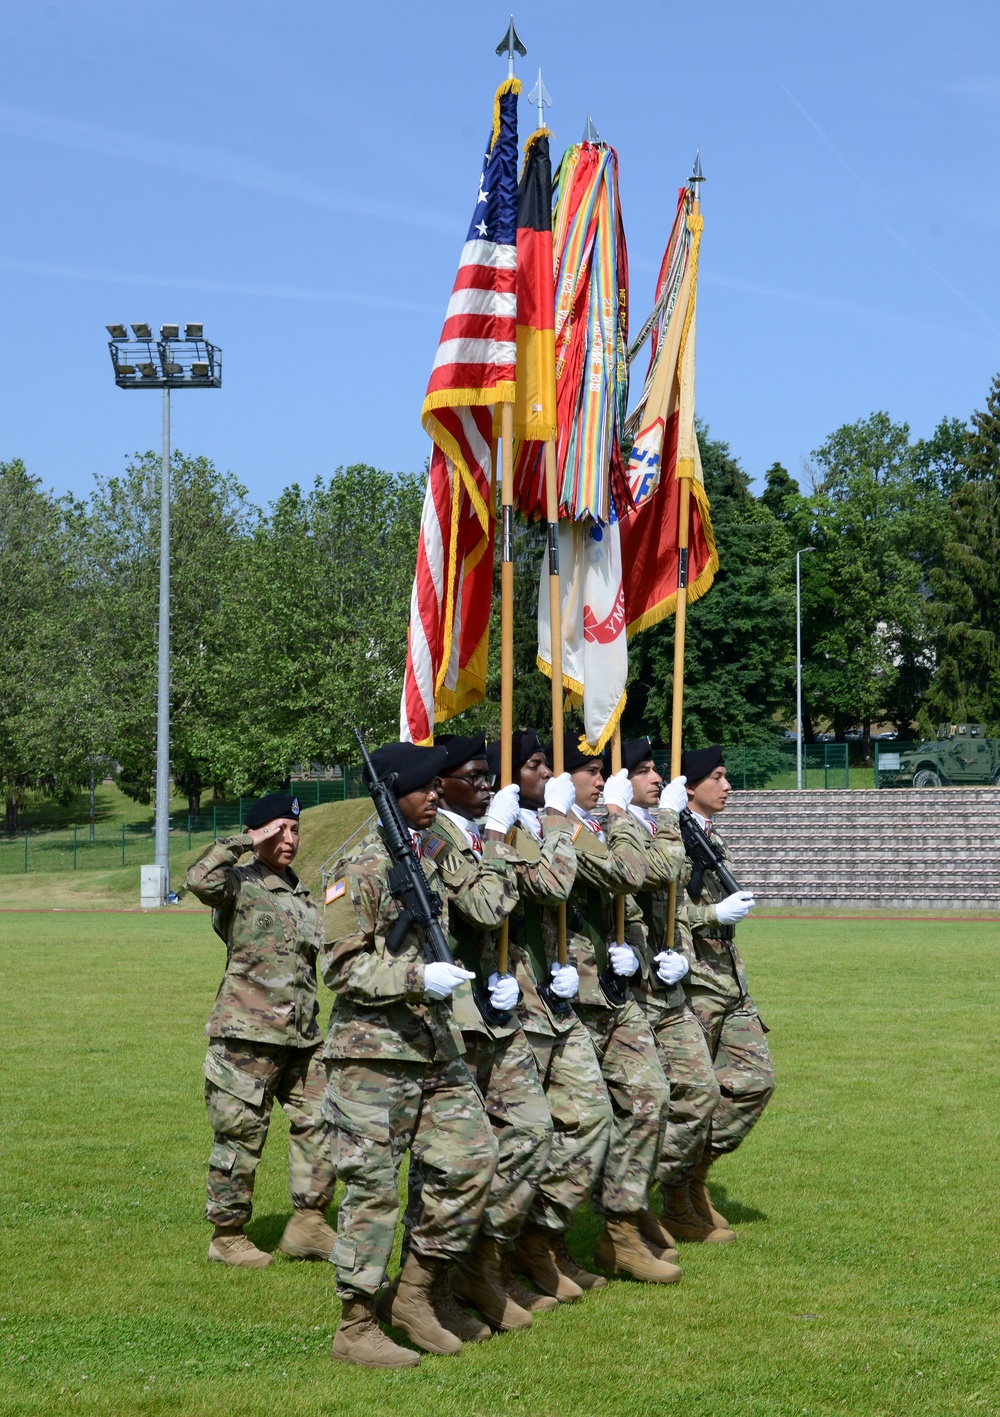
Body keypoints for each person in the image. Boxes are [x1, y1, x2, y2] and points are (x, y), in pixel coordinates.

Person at [321, 741, 499, 1370]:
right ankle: (356, 1325)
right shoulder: (361, 869)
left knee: (473, 1157)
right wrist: (417, 978)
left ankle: (420, 1294)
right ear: (396, 792)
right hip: (373, 1055)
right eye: (423, 788)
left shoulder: (432, 856)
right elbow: (341, 967)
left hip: (435, 1046)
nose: (434, 796)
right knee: (372, 1190)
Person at [402, 732, 554, 1332]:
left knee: (529, 1133)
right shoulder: (439, 837)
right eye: (474, 774)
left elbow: (549, 888)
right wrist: (495, 836)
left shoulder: (485, 829)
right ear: (445, 782)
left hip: (500, 1010)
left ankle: (482, 1259)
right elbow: (489, 908)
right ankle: (429, 1284)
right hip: (455, 1020)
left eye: (490, 774)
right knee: (445, 1162)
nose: (488, 784)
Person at [535, 732, 678, 1285]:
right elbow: (630, 872)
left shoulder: (585, 826)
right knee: (573, 1122)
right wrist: (620, 812)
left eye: (604, 772)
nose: (600, 779)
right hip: (570, 999)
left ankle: (621, 1224)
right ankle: (542, 1239)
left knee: (649, 1097)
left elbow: (650, 871)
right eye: (589, 772)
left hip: (610, 992)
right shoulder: (559, 828)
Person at [184, 792, 337, 1270]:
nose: (288, 838)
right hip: (246, 1036)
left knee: (323, 1120)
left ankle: (308, 1223)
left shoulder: (302, 894)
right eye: (278, 830)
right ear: (259, 834)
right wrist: (244, 841)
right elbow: (197, 880)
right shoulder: (238, 884)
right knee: (241, 1135)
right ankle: (227, 1236)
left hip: (302, 1037)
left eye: (293, 830)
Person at [489, 730, 615, 1305]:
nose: (546, 775)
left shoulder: (539, 826)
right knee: (522, 1136)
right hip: (514, 1005)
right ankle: (493, 1255)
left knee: (591, 1119)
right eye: (534, 765)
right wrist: (561, 822)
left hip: (554, 999)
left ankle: (542, 1235)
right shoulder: (507, 829)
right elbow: (552, 883)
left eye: (546, 764)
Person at [619, 739, 733, 1246]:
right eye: (641, 771)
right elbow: (659, 877)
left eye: (654, 769)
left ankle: (668, 1194)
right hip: (624, 995)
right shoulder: (621, 831)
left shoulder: (646, 826)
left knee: (700, 1092)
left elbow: (666, 906)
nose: (656, 779)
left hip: (667, 984)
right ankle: (628, 1211)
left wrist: (674, 954)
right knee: (642, 1104)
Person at [666, 743, 774, 1241]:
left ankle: (692, 1176)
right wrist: (714, 915)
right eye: (718, 777)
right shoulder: (673, 837)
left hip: (730, 980)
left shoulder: (707, 835)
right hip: (696, 984)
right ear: (690, 786)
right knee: (694, 1094)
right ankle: (676, 1200)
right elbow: (661, 913)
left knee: (754, 1082)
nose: (728, 786)